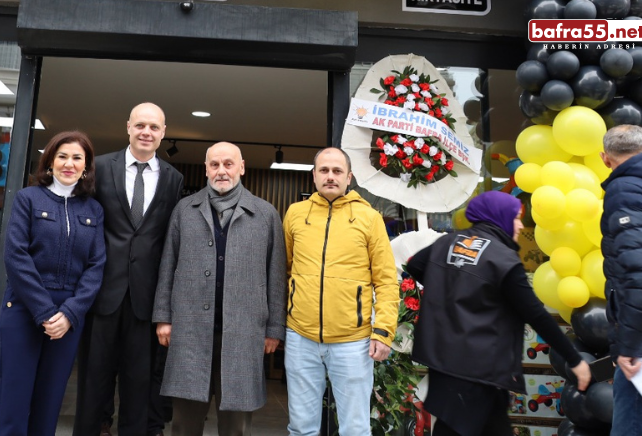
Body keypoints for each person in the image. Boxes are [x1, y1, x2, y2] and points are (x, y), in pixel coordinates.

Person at [407, 190, 591, 436]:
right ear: (499, 216)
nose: (519, 225)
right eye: (515, 217)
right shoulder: (502, 260)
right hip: (478, 369)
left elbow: (416, 265)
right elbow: (536, 315)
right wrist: (575, 359)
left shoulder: (447, 242)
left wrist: (449, 293)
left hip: (447, 362)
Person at [153, 142, 286, 436]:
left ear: (242, 167)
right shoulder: (185, 210)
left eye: (228, 164)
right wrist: (163, 317)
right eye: (214, 164)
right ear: (206, 169)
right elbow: (167, 266)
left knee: (236, 427)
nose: (221, 171)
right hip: (189, 331)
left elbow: (275, 276)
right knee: (184, 425)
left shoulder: (265, 214)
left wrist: (274, 329)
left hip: (244, 334)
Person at [75, 103, 184, 436]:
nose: (146, 132)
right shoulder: (100, 167)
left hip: (145, 298)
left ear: (163, 132)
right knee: (94, 381)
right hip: (101, 292)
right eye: (140, 125)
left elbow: (167, 240)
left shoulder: (173, 179)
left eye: (153, 127)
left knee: (139, 385)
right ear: (128, 128)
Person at [282, 147, 399, 436]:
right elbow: (284, 271)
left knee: (355, 429)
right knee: (301, 428)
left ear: (349, 177)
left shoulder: (369, 218)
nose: (330, 176)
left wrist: (383, 331)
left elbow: (386, 280)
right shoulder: (296, 214)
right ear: (314, 176)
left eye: (337, 171)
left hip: (353, 341)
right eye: (324, 170)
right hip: (301, 338)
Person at [0, 131, 105, 435]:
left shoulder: (93, 210)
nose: (69, 164)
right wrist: (44, 312)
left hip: (68, 317)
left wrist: (69, 314)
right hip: (23, 309)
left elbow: (96, 266)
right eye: (62, 156)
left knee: (49, 401)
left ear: (86, 167)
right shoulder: (28, 199)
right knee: (14, 401)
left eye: (77, 158)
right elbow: (16, 256)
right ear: (50, 162)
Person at [599, 124, 642, 435]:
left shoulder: (623, 189)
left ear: (605, 158)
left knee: (628, 422)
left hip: (638, 339)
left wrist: (627, 345)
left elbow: (635, 273)